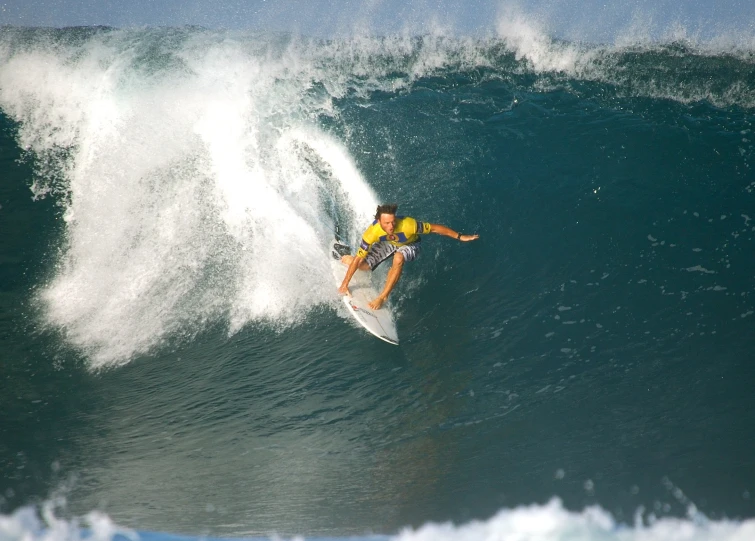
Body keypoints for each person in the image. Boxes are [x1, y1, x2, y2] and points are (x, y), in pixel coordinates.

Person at [337, 204, 479, 310]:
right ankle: (346, 257)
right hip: (389, 243)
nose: (392, 225)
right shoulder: (372, 233)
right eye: (387, 223)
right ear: (379, 221)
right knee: (363, 266)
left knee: (398, 258)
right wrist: (345, 284)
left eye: (393, 221)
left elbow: (435, 228)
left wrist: (460, 236)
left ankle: (383, 296)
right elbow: (360, 257)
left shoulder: (408, 224)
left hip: (410, 244)